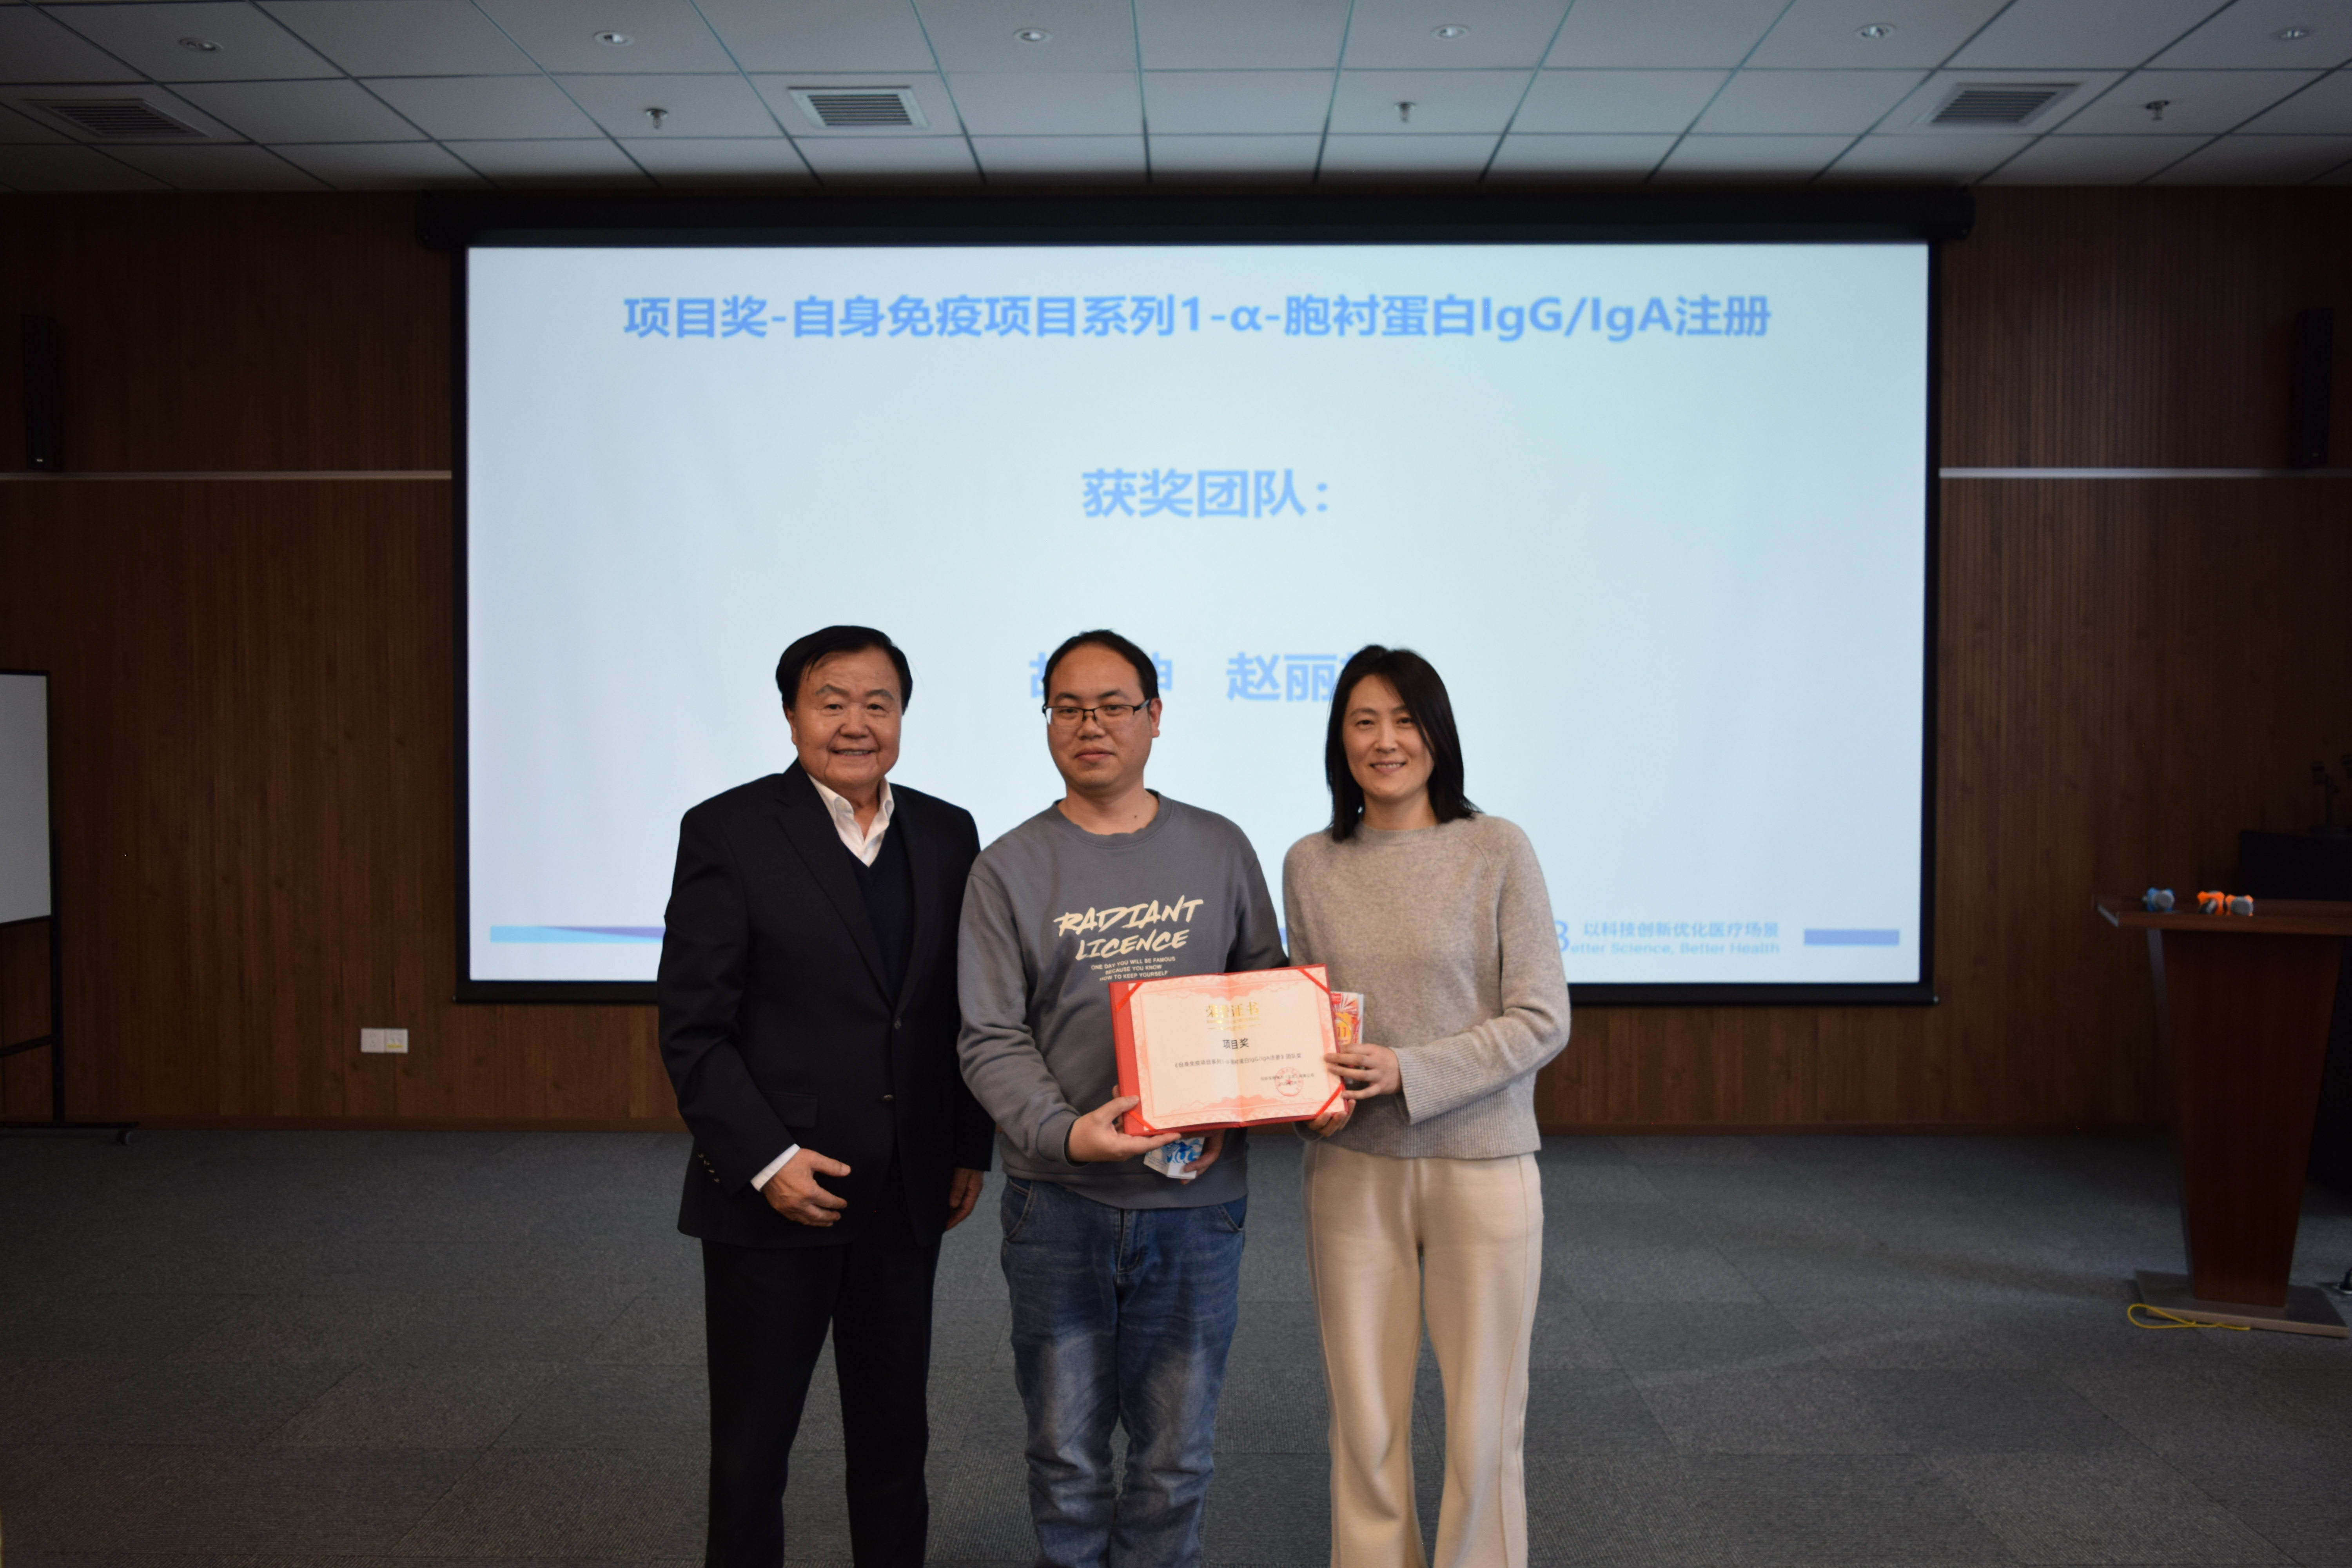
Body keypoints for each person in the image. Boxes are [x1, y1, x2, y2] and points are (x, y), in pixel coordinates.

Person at [657, 625, 994, 1568]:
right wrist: (767, 1160)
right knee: (753, 1449)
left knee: (895, 1438)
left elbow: (962, 1005)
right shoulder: (727, 830)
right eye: (831, 701)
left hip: (907, 1191)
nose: (856, 723)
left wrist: (967, 1144)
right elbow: (694, 1027)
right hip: (777, 1191)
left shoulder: (948, 832)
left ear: (903, 716)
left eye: (878, 703)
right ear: (790, 713)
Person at [957, 628, 1287, 1568]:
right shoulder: (1007, 866)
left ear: (1155, 715)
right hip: (1057, 1199)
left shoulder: (1220, 847)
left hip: (1196, 1202)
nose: (1090, 724)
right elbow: (989, 1033)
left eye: (1113, 705)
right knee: (1065, 1453)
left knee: (1176, 1455)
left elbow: (1263, 997)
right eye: (1068, 707)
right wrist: (1067, 1134)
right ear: (1047, 722)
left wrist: (1240, 1099)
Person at [1282, 644, 1570, 1568]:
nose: (1385, 740)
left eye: (1405, 720)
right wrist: (1307, 1095)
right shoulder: (1310, 861)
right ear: (1339, 738)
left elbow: (1543, 1018)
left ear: (1438, 733)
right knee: (1363, 1422)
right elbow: (1308, 1018)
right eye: (1363, 720)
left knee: (1485, 1423)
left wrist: (1408, 1069)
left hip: (1482, 1166)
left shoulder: (1497, 847)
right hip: (1350, 1169)